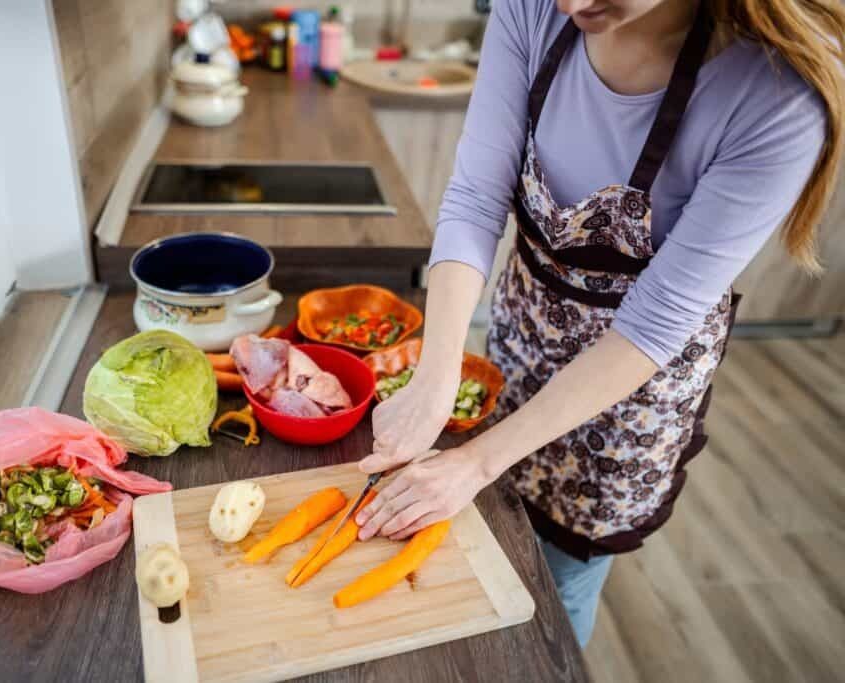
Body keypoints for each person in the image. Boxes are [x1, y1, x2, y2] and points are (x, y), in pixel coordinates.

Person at [354, 0, 845, 647]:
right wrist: (436, 374)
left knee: (557, 586)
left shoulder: (777, 97)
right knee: (492, 544)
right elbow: (476, 196)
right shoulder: (532, 8)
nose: (571, 3)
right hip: (522, 340)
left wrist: (473, 465)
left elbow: (654, 324)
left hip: (627, 402)